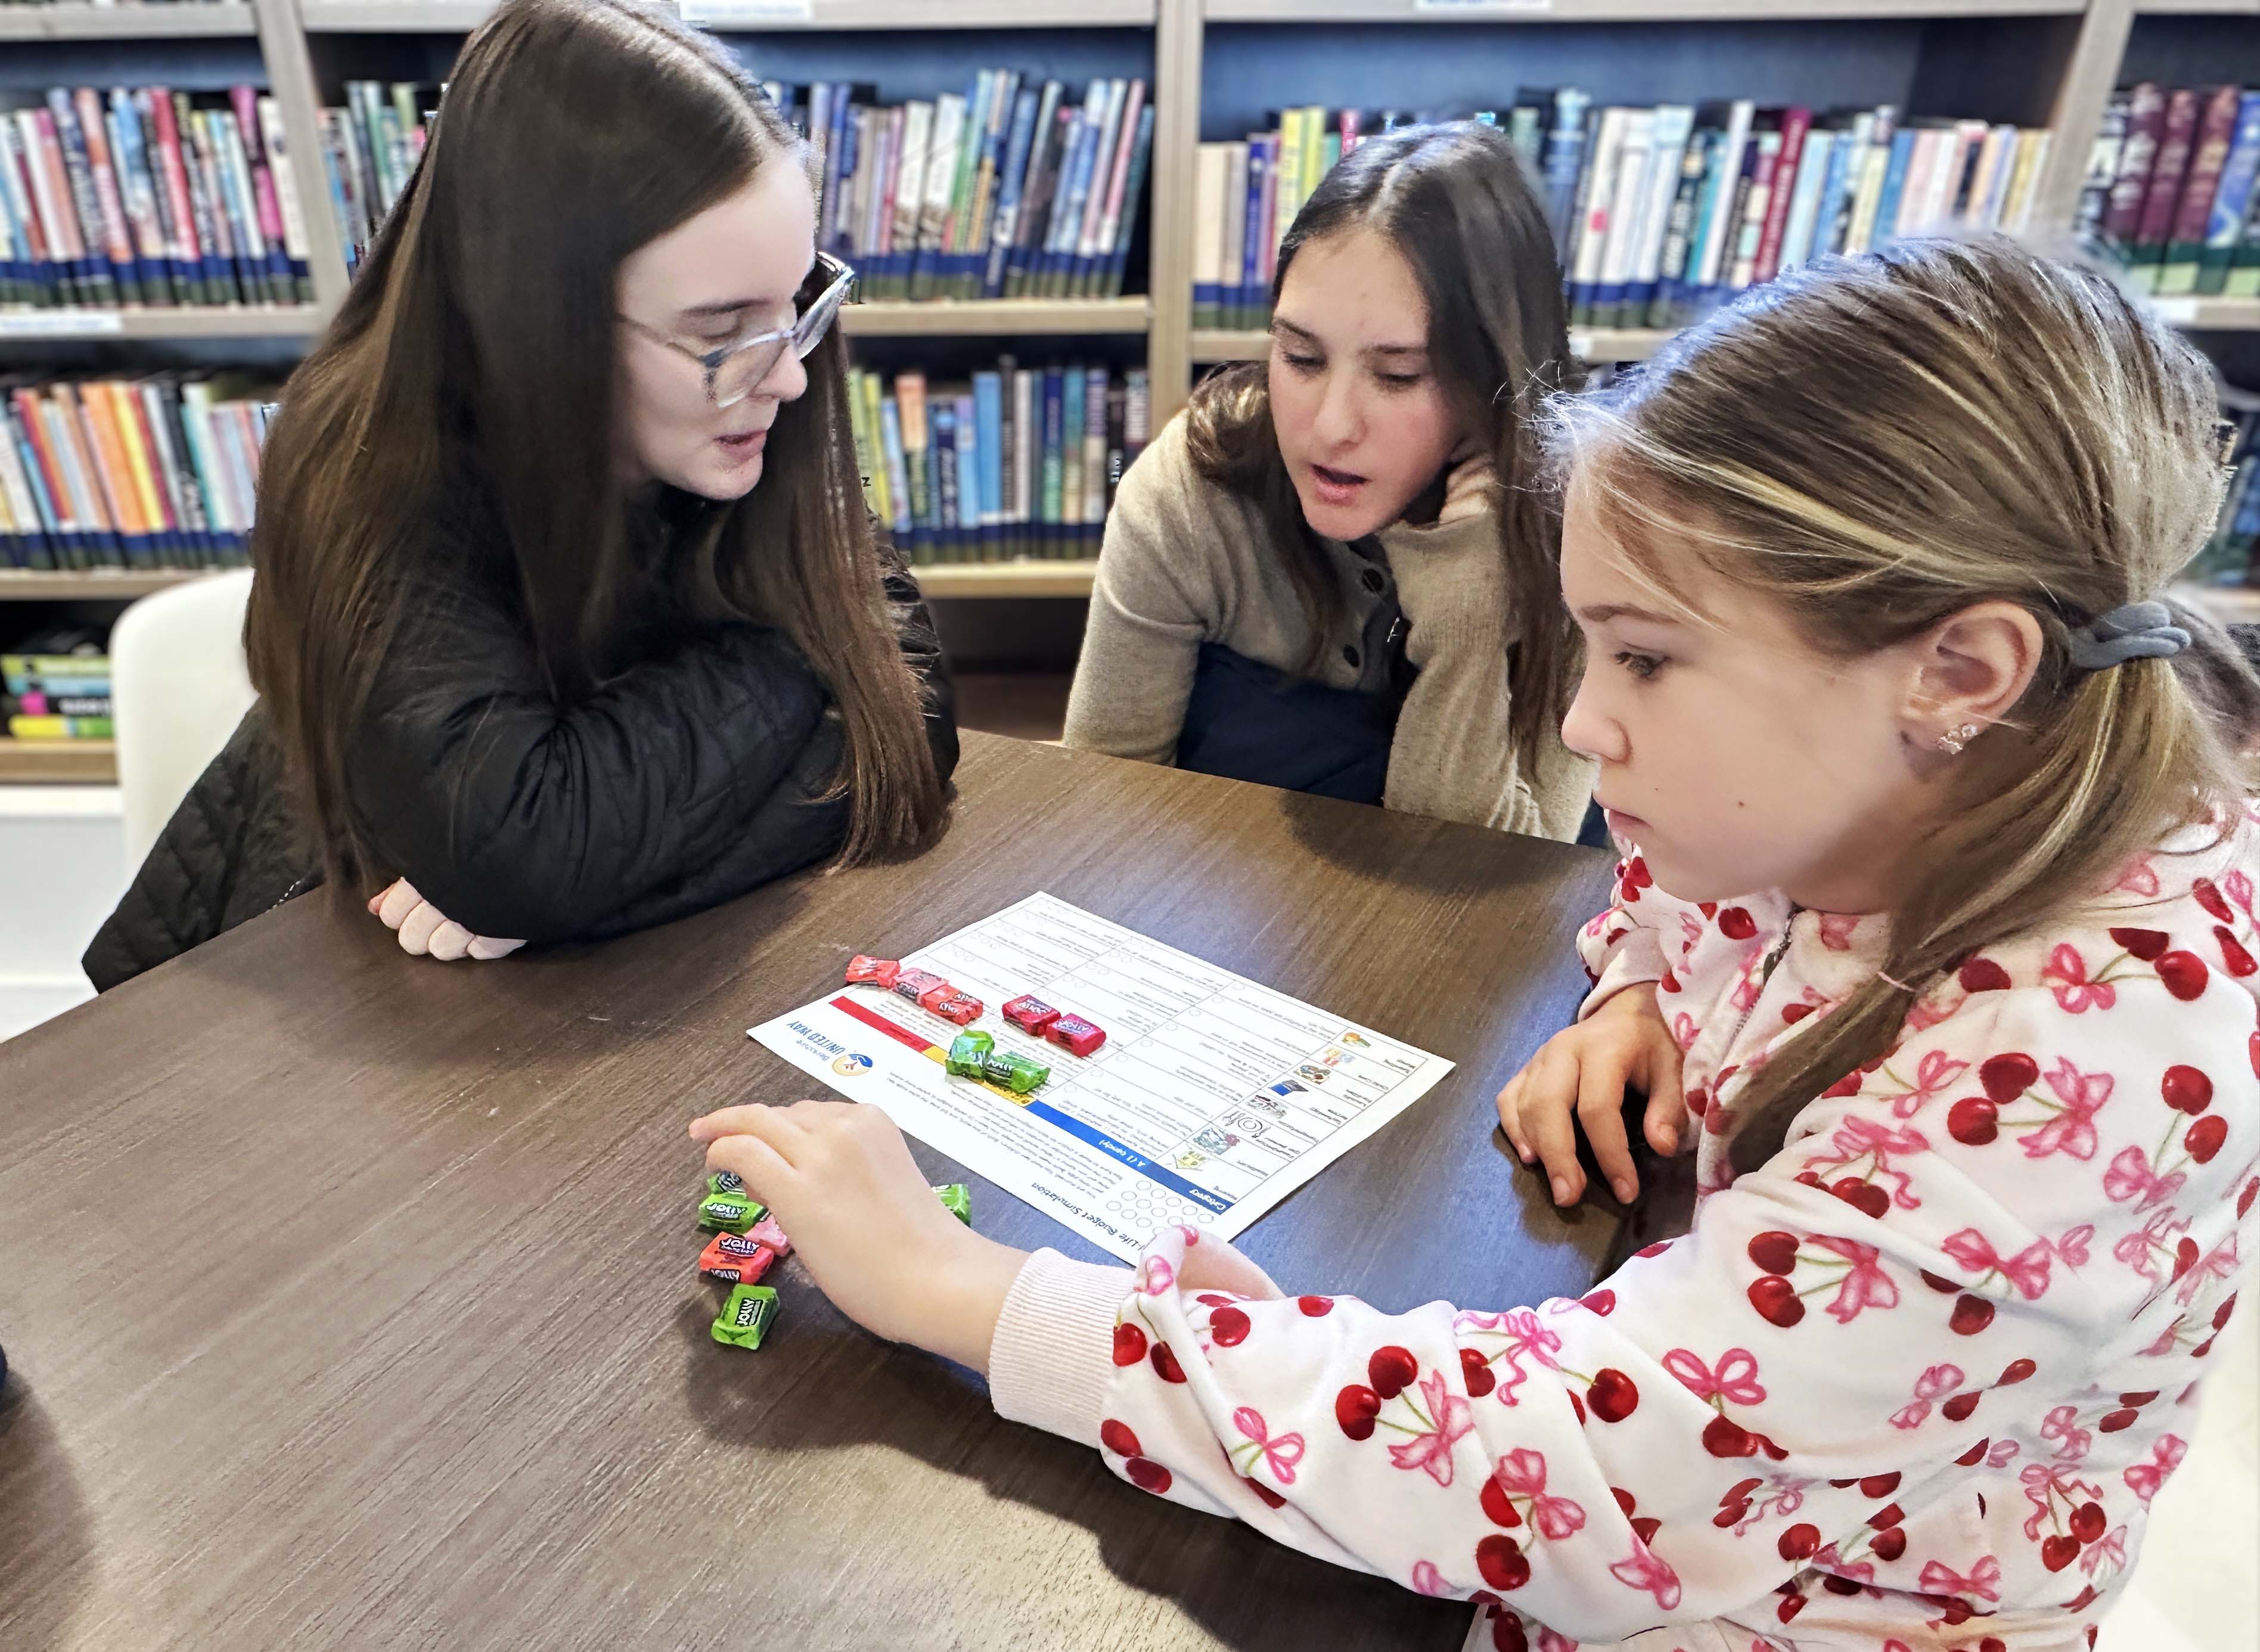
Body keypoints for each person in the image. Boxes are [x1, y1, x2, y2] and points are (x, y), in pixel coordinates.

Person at [687, 238, 2260, 1652]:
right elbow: (1683, 889)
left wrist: (967, 1292)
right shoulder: (1922, 784)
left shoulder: (2095, 1058)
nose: (1585, 726)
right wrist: (1645, 990)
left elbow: (1576, 1478)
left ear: (1960, 673)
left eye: (1647, 660)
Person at [82, 0, 957, 990]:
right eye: (721, 330)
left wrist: (580, 893)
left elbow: (913, 721)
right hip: (332, 979)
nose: (790, 376)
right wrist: (807, 651)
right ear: (540, 322)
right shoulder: (367, 461)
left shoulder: (753, 383)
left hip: (568, 983)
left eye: (797, 302)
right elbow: (515, 850)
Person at [1063, 122, 1594, 839]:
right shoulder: (1194, 488)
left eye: (1398, 375)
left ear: (1494, 382)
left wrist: (1467, 627)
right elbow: (1104, 810)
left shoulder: (1579, 528)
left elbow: (1525, 876)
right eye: (1301, 358)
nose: (1331, 426)